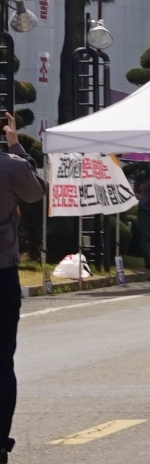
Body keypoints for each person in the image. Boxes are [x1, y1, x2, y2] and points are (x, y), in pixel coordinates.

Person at [0, 112, 45, 461]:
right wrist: (15, 143)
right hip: (2, 274)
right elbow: (35, 192)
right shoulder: (12, 166)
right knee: (2, 360)